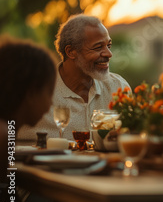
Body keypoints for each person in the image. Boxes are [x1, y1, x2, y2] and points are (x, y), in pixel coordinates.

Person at [18, 14, 130, 145]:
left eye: (108, 46)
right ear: (71, 52)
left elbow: (131, 138)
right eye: (98, 47)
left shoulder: (118, 88)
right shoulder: (33, 90)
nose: (108, 54)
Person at [0, 36, 57, 202]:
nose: (50, 104)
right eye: (49, 92)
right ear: (32, 93)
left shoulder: (7, 131)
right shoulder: (2, 134)